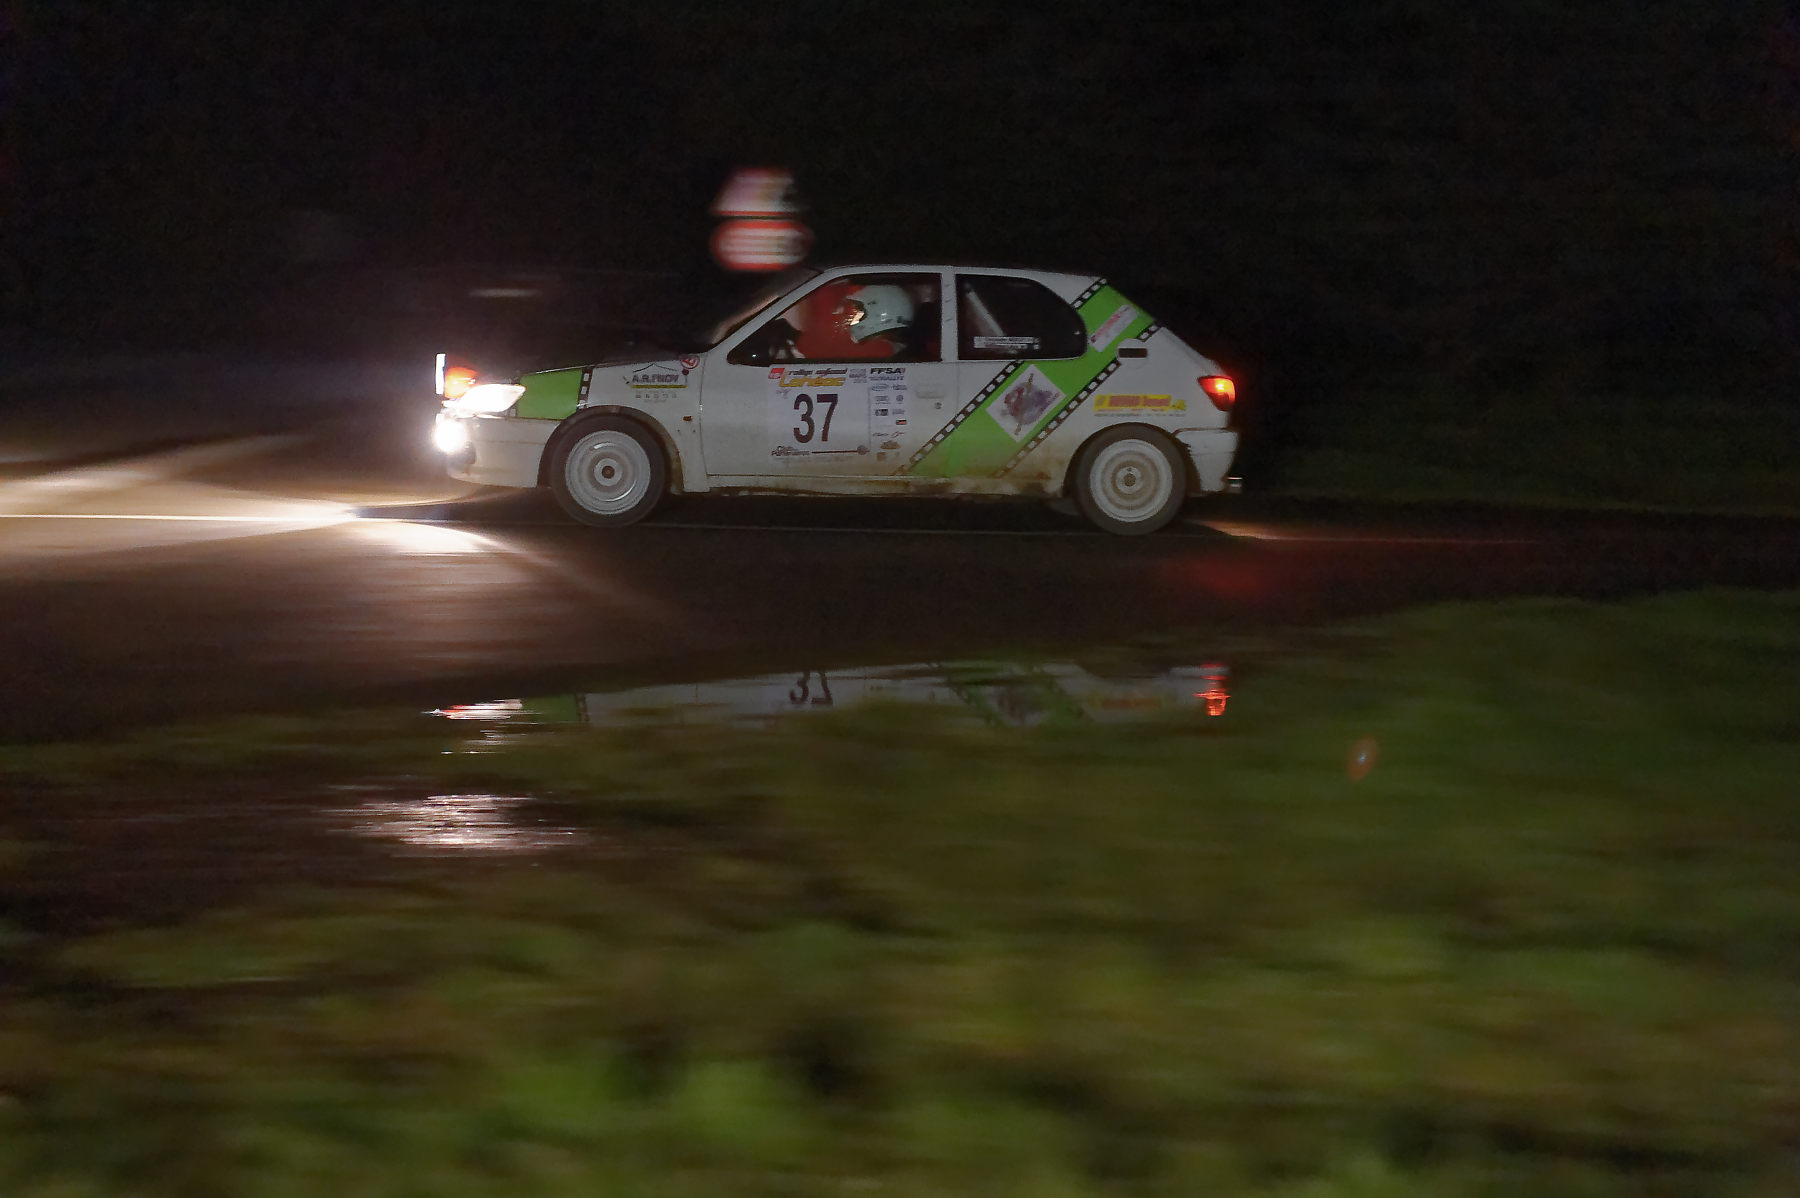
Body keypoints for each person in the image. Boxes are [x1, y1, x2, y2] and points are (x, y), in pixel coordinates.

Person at [793, 282, 915, 360]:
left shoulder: (882, 349)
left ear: (879, 311)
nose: (853, 318)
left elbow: (830, 354)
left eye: (859, 311)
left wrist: (796, 337)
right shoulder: (890, 347)